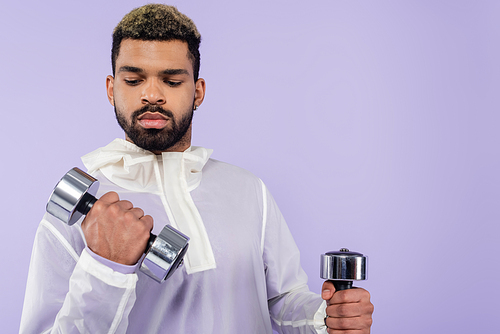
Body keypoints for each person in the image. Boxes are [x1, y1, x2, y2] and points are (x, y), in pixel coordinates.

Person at [20, 4, 373, 333]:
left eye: (172, 81)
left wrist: (327, 317)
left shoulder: (249, 190)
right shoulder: (79, 216)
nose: (152, 95)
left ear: (198, 92)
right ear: (111, 89)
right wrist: (105, 269)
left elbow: (280, 302)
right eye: (133, 80)